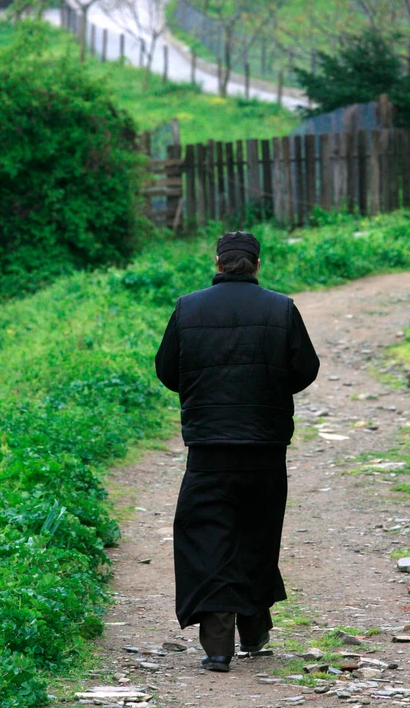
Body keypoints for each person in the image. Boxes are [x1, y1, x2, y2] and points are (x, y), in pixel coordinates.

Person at [155, 230, 320, 673]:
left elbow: (167, 370)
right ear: (257, 265)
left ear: (217, 261)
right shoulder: (281, 308)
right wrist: (269, 386)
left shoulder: (188, 308)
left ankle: (217, 648)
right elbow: (307, 368)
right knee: (257, 536)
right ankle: (254, 632)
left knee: (207, 535)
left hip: (208, 447)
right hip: (265, 446)